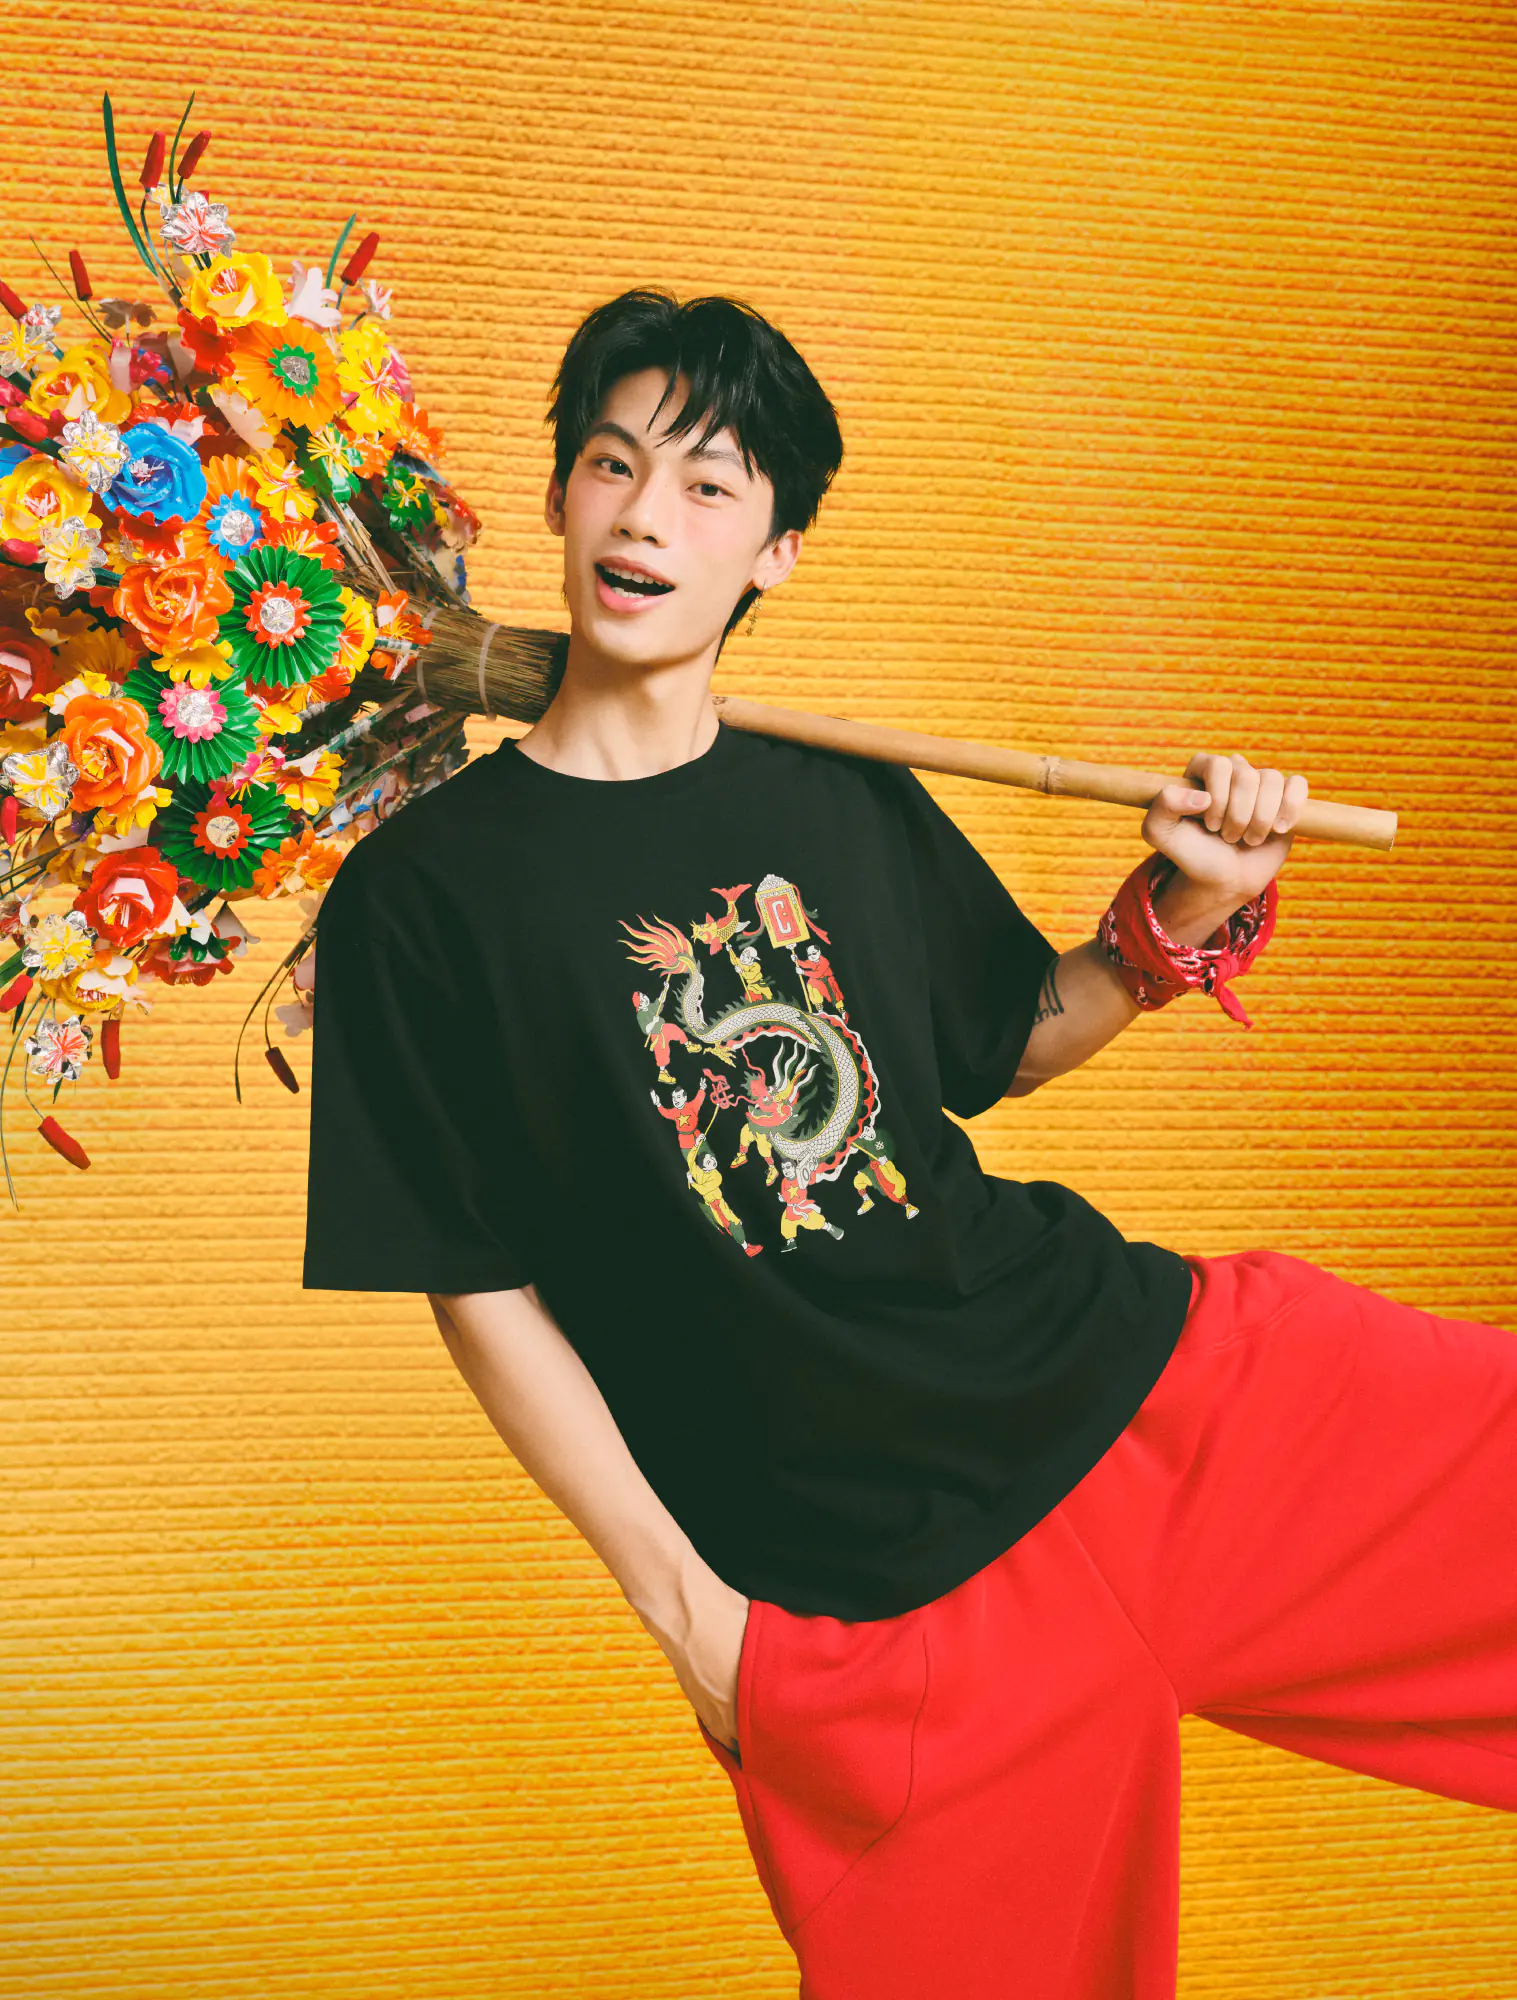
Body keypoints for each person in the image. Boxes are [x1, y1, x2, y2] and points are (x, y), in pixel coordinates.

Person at [302, 289, 1517, 1999]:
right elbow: (476, 1284)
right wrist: (695, 1625)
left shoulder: (836, 794)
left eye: (710, 487)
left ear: (777, 551)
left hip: (1149, 1405)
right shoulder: (419, 900)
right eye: (614, 465)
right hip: (873, 1613)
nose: (646, 517)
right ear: (562, 493)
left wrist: (1191, 906)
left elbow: (1013, 1037)